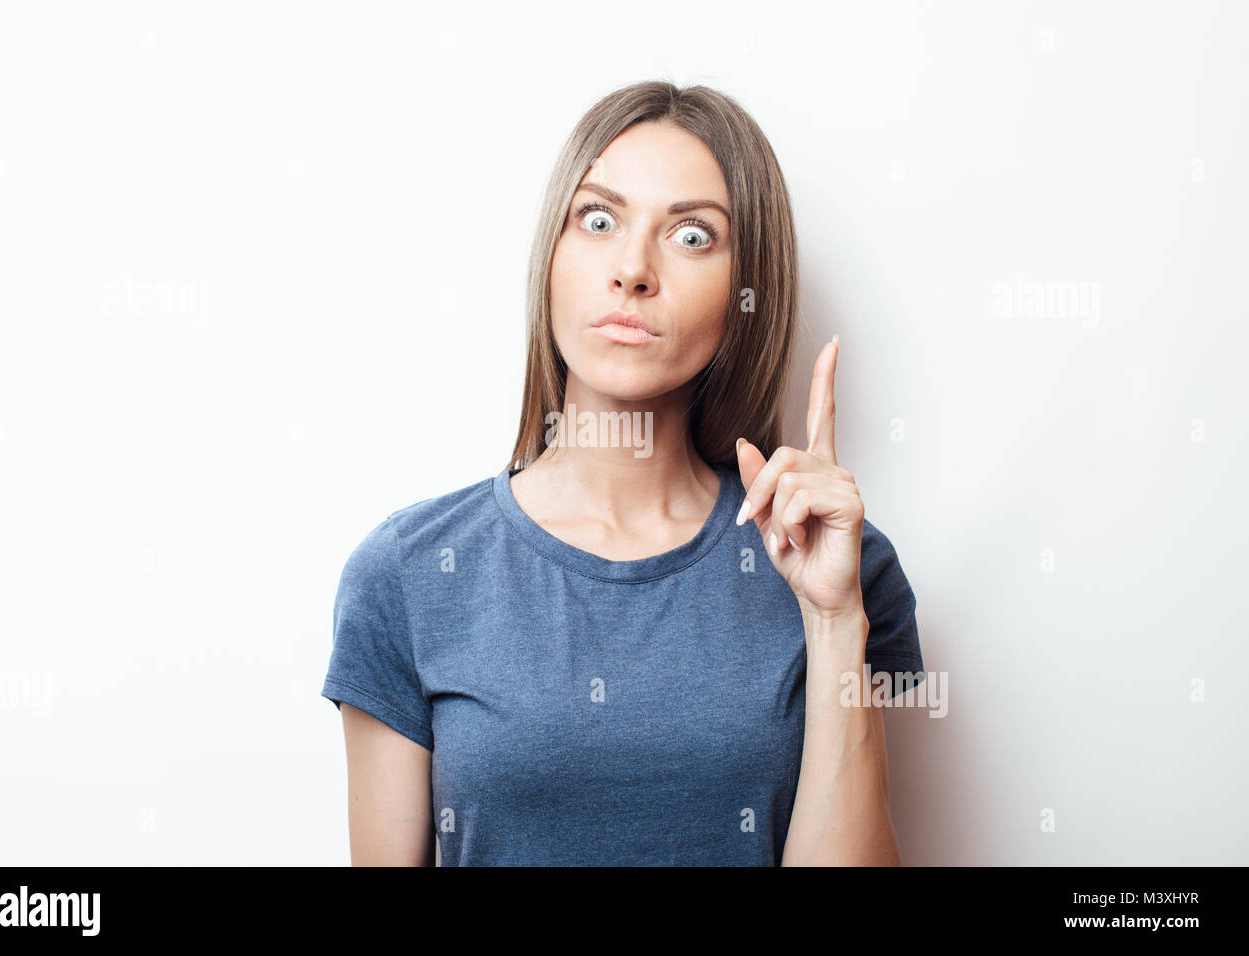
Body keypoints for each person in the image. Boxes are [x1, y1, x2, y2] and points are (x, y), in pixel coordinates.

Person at [321, 81, 925, 866]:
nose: (633, 269)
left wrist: (837, 621)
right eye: (598, 219)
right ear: (553, 256)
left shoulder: (841, 566)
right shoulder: (407, 573)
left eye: (692, 236)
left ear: (748, 293)